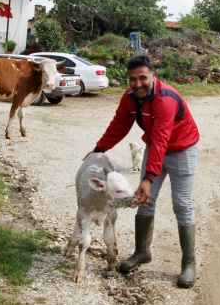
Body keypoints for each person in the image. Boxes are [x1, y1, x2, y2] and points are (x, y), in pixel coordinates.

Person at [84, 55, 201, 288]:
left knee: (181, 204)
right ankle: (142, 253)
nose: (138, 83)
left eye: (143, 78)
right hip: (156, 147)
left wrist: (148, 178)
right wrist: (98, 150)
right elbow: (119, 125)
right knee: (145, 200)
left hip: (181, 150)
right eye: (132, 79)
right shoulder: (130, 98)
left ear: (153, 76)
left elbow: (160, 141)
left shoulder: (165, 99)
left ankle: (189, 264)